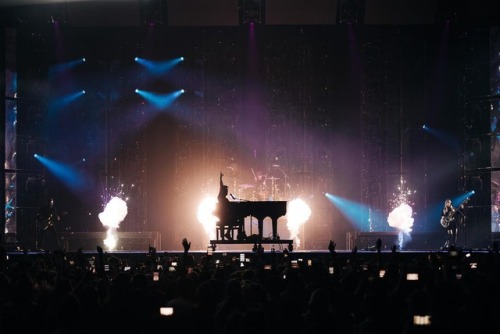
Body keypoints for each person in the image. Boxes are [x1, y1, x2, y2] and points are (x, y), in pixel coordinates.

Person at [216, 172, 233, 240]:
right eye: (226, 190)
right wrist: (220, 179)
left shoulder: (223, 198)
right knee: (232, 221)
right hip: (223, 216)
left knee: (232, 220)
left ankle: (226, 234)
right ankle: (227, 234)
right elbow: (221, 186)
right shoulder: (221, 197)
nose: (227, 192)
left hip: (223, 216)